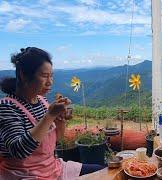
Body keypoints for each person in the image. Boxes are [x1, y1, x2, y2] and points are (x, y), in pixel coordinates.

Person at [0, 47, 105, 179]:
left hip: (53, 169)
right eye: (44, 76)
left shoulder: (42, 101)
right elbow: (19, 151)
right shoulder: (7, 107)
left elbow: (58, 140)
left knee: (104, 171)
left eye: (51, 76)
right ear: (23, 74)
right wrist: (49, 116)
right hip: (24, 175)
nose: (50, 82)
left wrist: (59, 118)